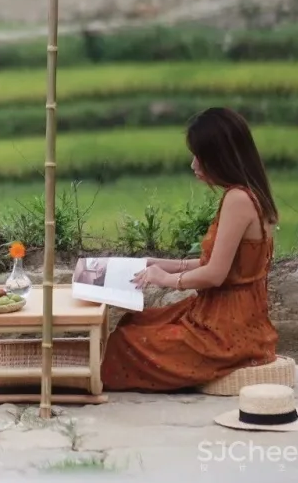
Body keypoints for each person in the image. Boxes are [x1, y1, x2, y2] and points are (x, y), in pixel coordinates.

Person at [100, 107, 279, 392]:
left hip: (227, 330)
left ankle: (86, 381)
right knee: (136, 321)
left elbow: (214, 275)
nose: (194, 165)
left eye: (200, 157)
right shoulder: (251, 195)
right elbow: (220, 263)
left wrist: (165, 279)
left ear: (221, 157)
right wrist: (154, 262)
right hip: (230, 317)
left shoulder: (238, 199)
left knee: (126, 342)